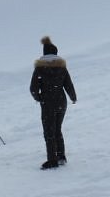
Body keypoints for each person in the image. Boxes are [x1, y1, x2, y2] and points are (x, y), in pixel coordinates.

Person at [30, 37, 77, 170]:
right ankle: (61, 156)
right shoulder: (61, 67)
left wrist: (39, 98)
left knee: (49, 132)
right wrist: (73, 97)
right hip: (61, 102)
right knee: (57, 129)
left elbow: (33, 88)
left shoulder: (39, 69)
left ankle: (52, 160)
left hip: (47, 103)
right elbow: (68, 84)